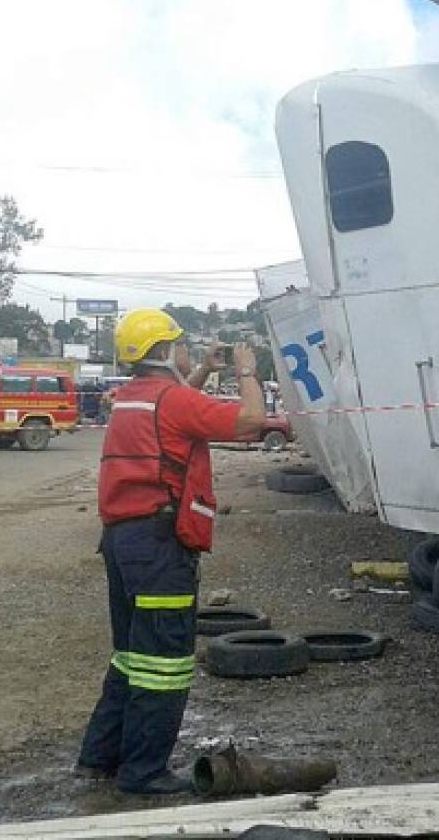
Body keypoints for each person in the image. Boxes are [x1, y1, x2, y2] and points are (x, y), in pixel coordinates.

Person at [76, 309, 265, 795]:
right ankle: (144, 773)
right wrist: (245, 369)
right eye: (181, 345)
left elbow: (176, 404)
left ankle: (100, 758)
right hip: (159, 548)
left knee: (130, 656)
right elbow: (252, 419)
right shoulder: (172, 402)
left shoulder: (131, 399)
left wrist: (201, 368)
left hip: (122, 541)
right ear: (163, 352)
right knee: (163, 662)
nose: (186, 351)